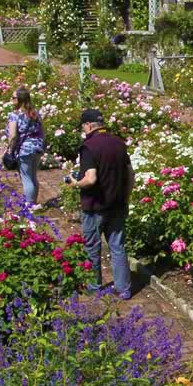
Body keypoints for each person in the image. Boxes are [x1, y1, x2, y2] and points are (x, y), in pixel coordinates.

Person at [68, 108, 134, 298]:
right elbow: (130, 174)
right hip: (118, 204)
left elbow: (90, 179)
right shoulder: (119, 143)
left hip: (95, 206)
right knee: (118, 247)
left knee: (92, 247)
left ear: (88, 125)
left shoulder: (89, 147)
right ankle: (124, 289)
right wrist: (126, 197)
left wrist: (75, 183)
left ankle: (94, 287)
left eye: (83, 126)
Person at [6, 87, 45, 204]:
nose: (11, 99)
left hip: (24, 150)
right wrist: (42, 145)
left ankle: (29, 205)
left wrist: (9, 150)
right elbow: (43, 131)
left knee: (26, 178)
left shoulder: (15, 115)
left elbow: (13, 136)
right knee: (33, 176)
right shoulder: (34, 113)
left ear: (20, 99)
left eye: (13, 98)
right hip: (37, 147)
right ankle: (34, 203)